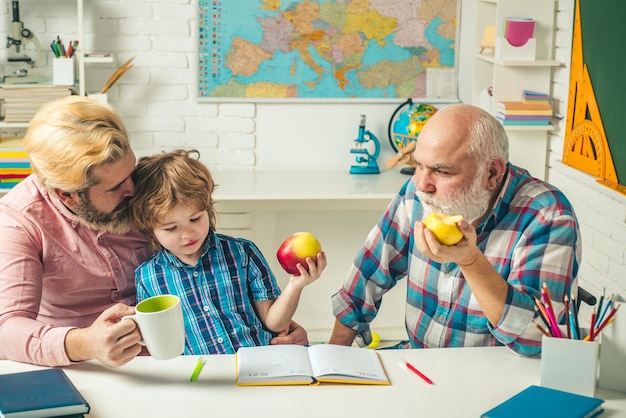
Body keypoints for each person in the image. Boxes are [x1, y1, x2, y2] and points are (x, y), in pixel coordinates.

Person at [0, 96, 308, 368]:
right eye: (116, 187)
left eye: (130, 171)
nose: (133, 189)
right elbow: (6, 330)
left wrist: (275, 325)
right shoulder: (19, 222)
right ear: (68, 195)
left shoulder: (134, 184)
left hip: (180, 363)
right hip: (85, 368)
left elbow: (210, 269)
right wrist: (83, 343)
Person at [329, 104, 581, 357]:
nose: (422, 184)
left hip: (497, 380)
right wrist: (333, 359)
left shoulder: (548, 216)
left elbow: (537, 339)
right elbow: (367, 275)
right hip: (419, 360)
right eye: (419, 165)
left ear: (492, 173)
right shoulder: (418, 192)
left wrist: (469, 261)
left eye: (440, 170)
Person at [128, 149, 327, 354]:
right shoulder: (147, 277)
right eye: (171, 228)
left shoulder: (242, 253)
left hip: (260, 365)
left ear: (208, 208)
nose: (187, 234)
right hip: (203, 376)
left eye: (195, 219)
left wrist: (296, 284)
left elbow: (274, 323)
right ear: (149, 228)